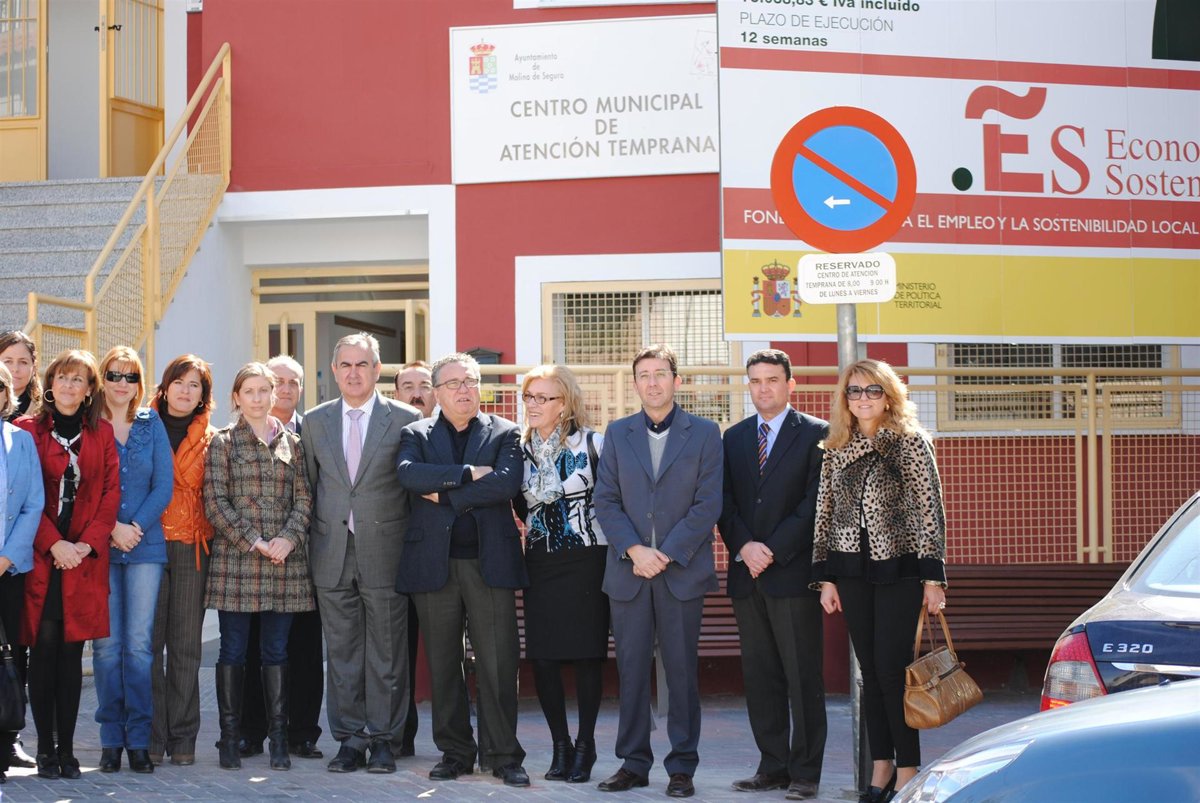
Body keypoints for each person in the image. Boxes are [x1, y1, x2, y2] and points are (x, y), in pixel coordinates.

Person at [812, 359, 947, 803]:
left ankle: (908, 768)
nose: (863, 398)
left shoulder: (910, 442)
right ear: (845, 399)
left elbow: (929, 510)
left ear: (889, 396)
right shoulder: (835, 446)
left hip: (900, 569)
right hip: (850, 569)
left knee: (892, 671)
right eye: (854, 391)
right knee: (869, 672)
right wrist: (826, 578)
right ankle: (881, 764)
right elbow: (824, 512)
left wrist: (933, 577)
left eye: (872, 390)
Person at [593, 344, 722, 799]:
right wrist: (634, 550)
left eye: (661, 373)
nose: (653, 382)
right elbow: (605, 499)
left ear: (676, 381)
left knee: (681, 672)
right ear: (635, 384)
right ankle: (633, 763)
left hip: (679, 571)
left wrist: (663, 554)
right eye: (644, 375)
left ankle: (682, 767)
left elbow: (708, 503)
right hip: (628, 572)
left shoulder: (705, 433)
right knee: (630, 670)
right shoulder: (617, 433)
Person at [396, 352, 530, 788]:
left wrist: (446, 493)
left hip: (490, 562)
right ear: (436, 392)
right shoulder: (415, 433)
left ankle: (503, 754)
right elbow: (410, 476)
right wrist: (470, 473)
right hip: (434, 565)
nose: (463, 390)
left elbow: (506, 483)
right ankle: (455, 752)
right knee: (443, 663)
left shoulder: (505, 432)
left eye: (470, 381)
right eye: (453, 383)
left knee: (498, 662)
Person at [300, 333, 418, 774]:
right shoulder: (315, 422)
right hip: (331, 552)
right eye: (345, 365)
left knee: (387, 653)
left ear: (377, 369)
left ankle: (385, 740)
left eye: (362, 364)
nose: (353, 373)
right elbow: (311, 487)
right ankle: (350, 740)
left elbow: (411, 491)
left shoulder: (405, 419)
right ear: (334, 371)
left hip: (386, 552)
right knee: (343, 654)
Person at [718, 349, 828, 801]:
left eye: (772, 380)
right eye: (755, 381)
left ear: (790, 384)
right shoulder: (734, 437)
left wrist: (773, 550)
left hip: (792, 574)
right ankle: (773, 766)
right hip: (748, 574)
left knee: (802, 677)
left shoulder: (818, 434)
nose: (763, 388)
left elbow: (814, 504)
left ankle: (805, 772)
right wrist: (744, 546)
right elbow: (723, 501)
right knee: (761, 675)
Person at [204, 362, 314, 771]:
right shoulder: (222, 442)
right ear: (236, 397)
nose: (257, 398)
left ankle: (279, 739)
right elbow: (215, 502)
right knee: (233, 650)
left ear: (273, 393)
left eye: (263, 390)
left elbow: (304, 499)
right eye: (249, 391)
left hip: (284, 563)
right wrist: (255, 540)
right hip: (238, 563)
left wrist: (288, 538)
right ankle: (230, 738)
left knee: (276, 652)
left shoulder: (293, 443)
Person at [16, 349, 120, 780]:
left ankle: (68, 751)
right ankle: (45, 749)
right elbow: (22, 495)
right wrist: (54, 543)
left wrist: (82, 546)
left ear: (89, 389)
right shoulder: (27, 431)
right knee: (42, 654)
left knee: (72, 657)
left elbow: (111, 494)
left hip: (83, 562)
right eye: (62, 377)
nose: (69, 385)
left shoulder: (103, 433)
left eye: (78, 379)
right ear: (50, 383)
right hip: (41, 558)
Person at [513, 365, 608, 784]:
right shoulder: (518, 450)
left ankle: (585, 746)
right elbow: (520, 506)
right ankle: (560, 746)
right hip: (541, 560)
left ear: (565, 403)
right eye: (529, 397)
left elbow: (611, 498)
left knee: (588, 655)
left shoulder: (594, 443)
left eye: (543, 397)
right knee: (544, 657)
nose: (533, 405)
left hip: (587, 558)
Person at [93, 346, 173, 774]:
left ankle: (139, 741)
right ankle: (110, 740)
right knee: (107, 647)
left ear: (139, 383)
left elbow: (164, 486)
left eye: (130, 376)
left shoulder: (150, 422)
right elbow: (84, 488)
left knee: (140, 647)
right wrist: (112, 529)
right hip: (100, 549)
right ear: (102, 379)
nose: (121, 383)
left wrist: (135, 527)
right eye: (114, 375)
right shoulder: (90, 424)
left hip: (145, 547)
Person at [241, 355, 325, 760]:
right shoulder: (237, 435)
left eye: (294, 382)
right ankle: (252, 731)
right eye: (279, 380)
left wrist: (290, 539)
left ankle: (302, 733)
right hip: (254, 559)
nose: (286, 388)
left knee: (305, 649)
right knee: (255, 647)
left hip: (303, 557)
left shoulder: (315, 432)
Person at [149, 354, 218, 766]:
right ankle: (152, 736)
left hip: (193, 546)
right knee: (149, 645)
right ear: (165, 386)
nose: (185, 390)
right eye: (179, 382)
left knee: (187, 647)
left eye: (195, 385)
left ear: (203, 395)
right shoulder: (142, 426)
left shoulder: (214, 438)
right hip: (148, 545)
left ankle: (183, 739)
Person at [0, 363, 44, 784]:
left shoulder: (21, 440)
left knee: (10, 657)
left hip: (9, 571)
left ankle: (3, 747)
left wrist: (6, 558)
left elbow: (34, 504)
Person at [392, 358, 435, 756]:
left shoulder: (448, 432)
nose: (417, 393)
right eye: (408, 386)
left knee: (447, 652)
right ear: (396, 393)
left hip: (442, 560)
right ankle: (401, 734)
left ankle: (456, 740)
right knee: (399, 652)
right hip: (395, 560)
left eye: (424, 386)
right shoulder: (390, 434)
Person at [0, 330, 41, 422]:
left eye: (23, 362)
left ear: (34, 367)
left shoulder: (44, 413)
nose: (15, 369)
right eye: (8, 361)